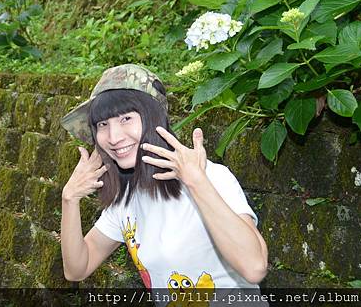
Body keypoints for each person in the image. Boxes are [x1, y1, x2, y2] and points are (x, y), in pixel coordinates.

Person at [59, 64, 268, 294]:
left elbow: (254, 268)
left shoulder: (210, 176)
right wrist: (69, 199)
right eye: (103, 124)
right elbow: (77, 268)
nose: (114, 137)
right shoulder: (126, 200)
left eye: (126, 118)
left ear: (153, 118)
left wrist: (196, 182)